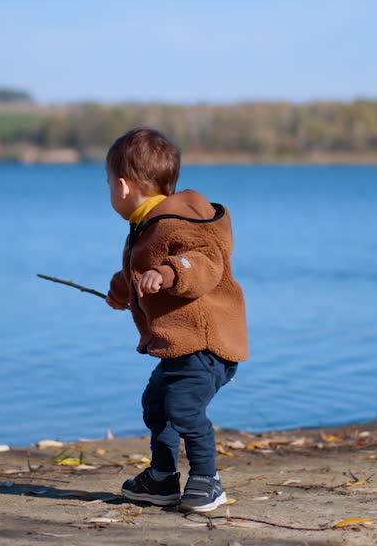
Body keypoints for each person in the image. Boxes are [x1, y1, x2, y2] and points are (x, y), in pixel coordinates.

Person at [103, 127, 249, 513]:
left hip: (206, 344)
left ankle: (207, 480)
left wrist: (169, 273)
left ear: (122, 186)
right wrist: (121, 292)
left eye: (108, 184)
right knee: (156, 404)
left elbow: (205, 264)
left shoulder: (177, 224)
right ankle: (163, 478)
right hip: (177, 345)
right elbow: (138, 273)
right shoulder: (146, 226)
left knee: (184, 408)